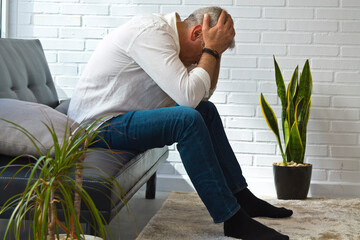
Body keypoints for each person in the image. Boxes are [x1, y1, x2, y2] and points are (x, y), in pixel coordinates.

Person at [68, 6, 292, 240]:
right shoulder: (151, 34)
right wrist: (212, 50)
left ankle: (242, 196)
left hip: (122, 118)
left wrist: (216, 51)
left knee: (206, 111)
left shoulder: (179, 46)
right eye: (203, 52)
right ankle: (232, 219)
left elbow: (203, 96)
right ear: (196, 33)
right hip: (96, 127)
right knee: (187, 121)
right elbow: (187, 98)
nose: (200, 62)